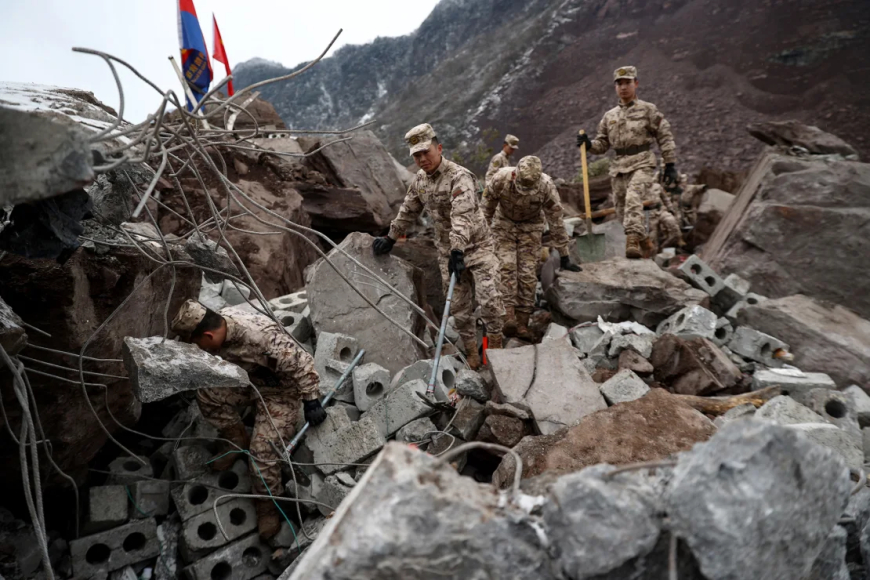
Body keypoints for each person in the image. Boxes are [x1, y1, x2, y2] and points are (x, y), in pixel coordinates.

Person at [171, 300, 326, 540]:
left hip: (280, 393)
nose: (197, 348)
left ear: (209, 336)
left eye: (196, 343)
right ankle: (236, 438)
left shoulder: (258, 338)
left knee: (262, 457)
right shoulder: (219, 321)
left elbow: (302, 362)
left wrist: (312, 399)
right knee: (207, 394)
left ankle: (267, 508)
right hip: (250, 381)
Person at [372, 123, 504, 369]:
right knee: (459, 307)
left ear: (439, 148)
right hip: (448, 251)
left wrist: (458, 249)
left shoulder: (459, 176)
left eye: (426, 152)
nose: (422, 159)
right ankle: (473, 354)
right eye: (416, 155)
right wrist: (390, 238)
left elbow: (462, 217)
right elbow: (408, 210)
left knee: (490, 301)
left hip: (477, 248)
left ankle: (496, 352)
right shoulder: (420, 181)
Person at [577, 66, 679, 259]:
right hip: (619, 167)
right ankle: (645, 242)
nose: (623, 87)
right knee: (622, 211)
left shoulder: (648, 110)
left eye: (627, 83)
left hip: (642, 162)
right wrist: (589, 144)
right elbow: (602, 144)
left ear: (636, 84)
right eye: (619, 84)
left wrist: (670, 164)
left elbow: (664, 135)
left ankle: (632, 241)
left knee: (634, 198)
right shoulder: (610, 116)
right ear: (615, 87)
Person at [482, 156, 581, 339]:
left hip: (531, 228)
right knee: (506, 267)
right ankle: (508, 316)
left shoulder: (546, 186)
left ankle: (523, 324)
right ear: (515, 175)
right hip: (503, 226)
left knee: (527, 275)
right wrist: (479, 242)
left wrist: (564, 255)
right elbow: (485, 211)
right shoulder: (499, 179)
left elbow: (556, 221)